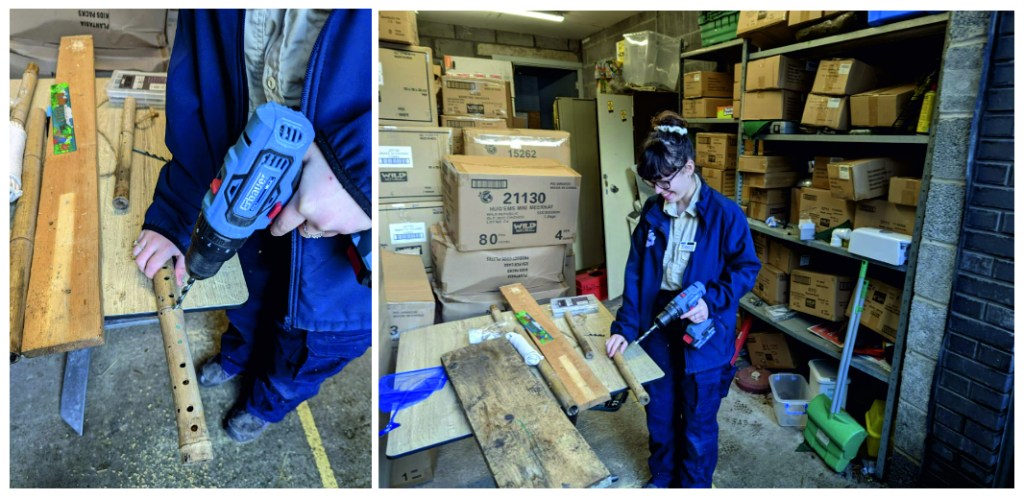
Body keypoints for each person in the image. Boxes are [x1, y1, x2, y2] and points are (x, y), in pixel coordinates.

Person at [132, 9, 372, 443]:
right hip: (253, 196)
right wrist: (177, 210)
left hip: (344, 231)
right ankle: (238, 357)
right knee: (247, 299)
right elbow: (199, 91)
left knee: (310, 345)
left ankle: (267, 403)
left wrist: (360, 173)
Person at [606, 111, 760, 487]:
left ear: (688, 167)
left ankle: (693, 485)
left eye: (664, 182)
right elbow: (637, 274)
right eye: (652, 183)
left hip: (704, 325)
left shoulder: (725, 214)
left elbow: (746, 268)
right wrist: (625, 327)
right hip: (658, 320)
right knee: (659, 409)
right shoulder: (652, 212)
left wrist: (712, 301)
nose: (659, 191)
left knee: (698, 418)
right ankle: (663, 475)